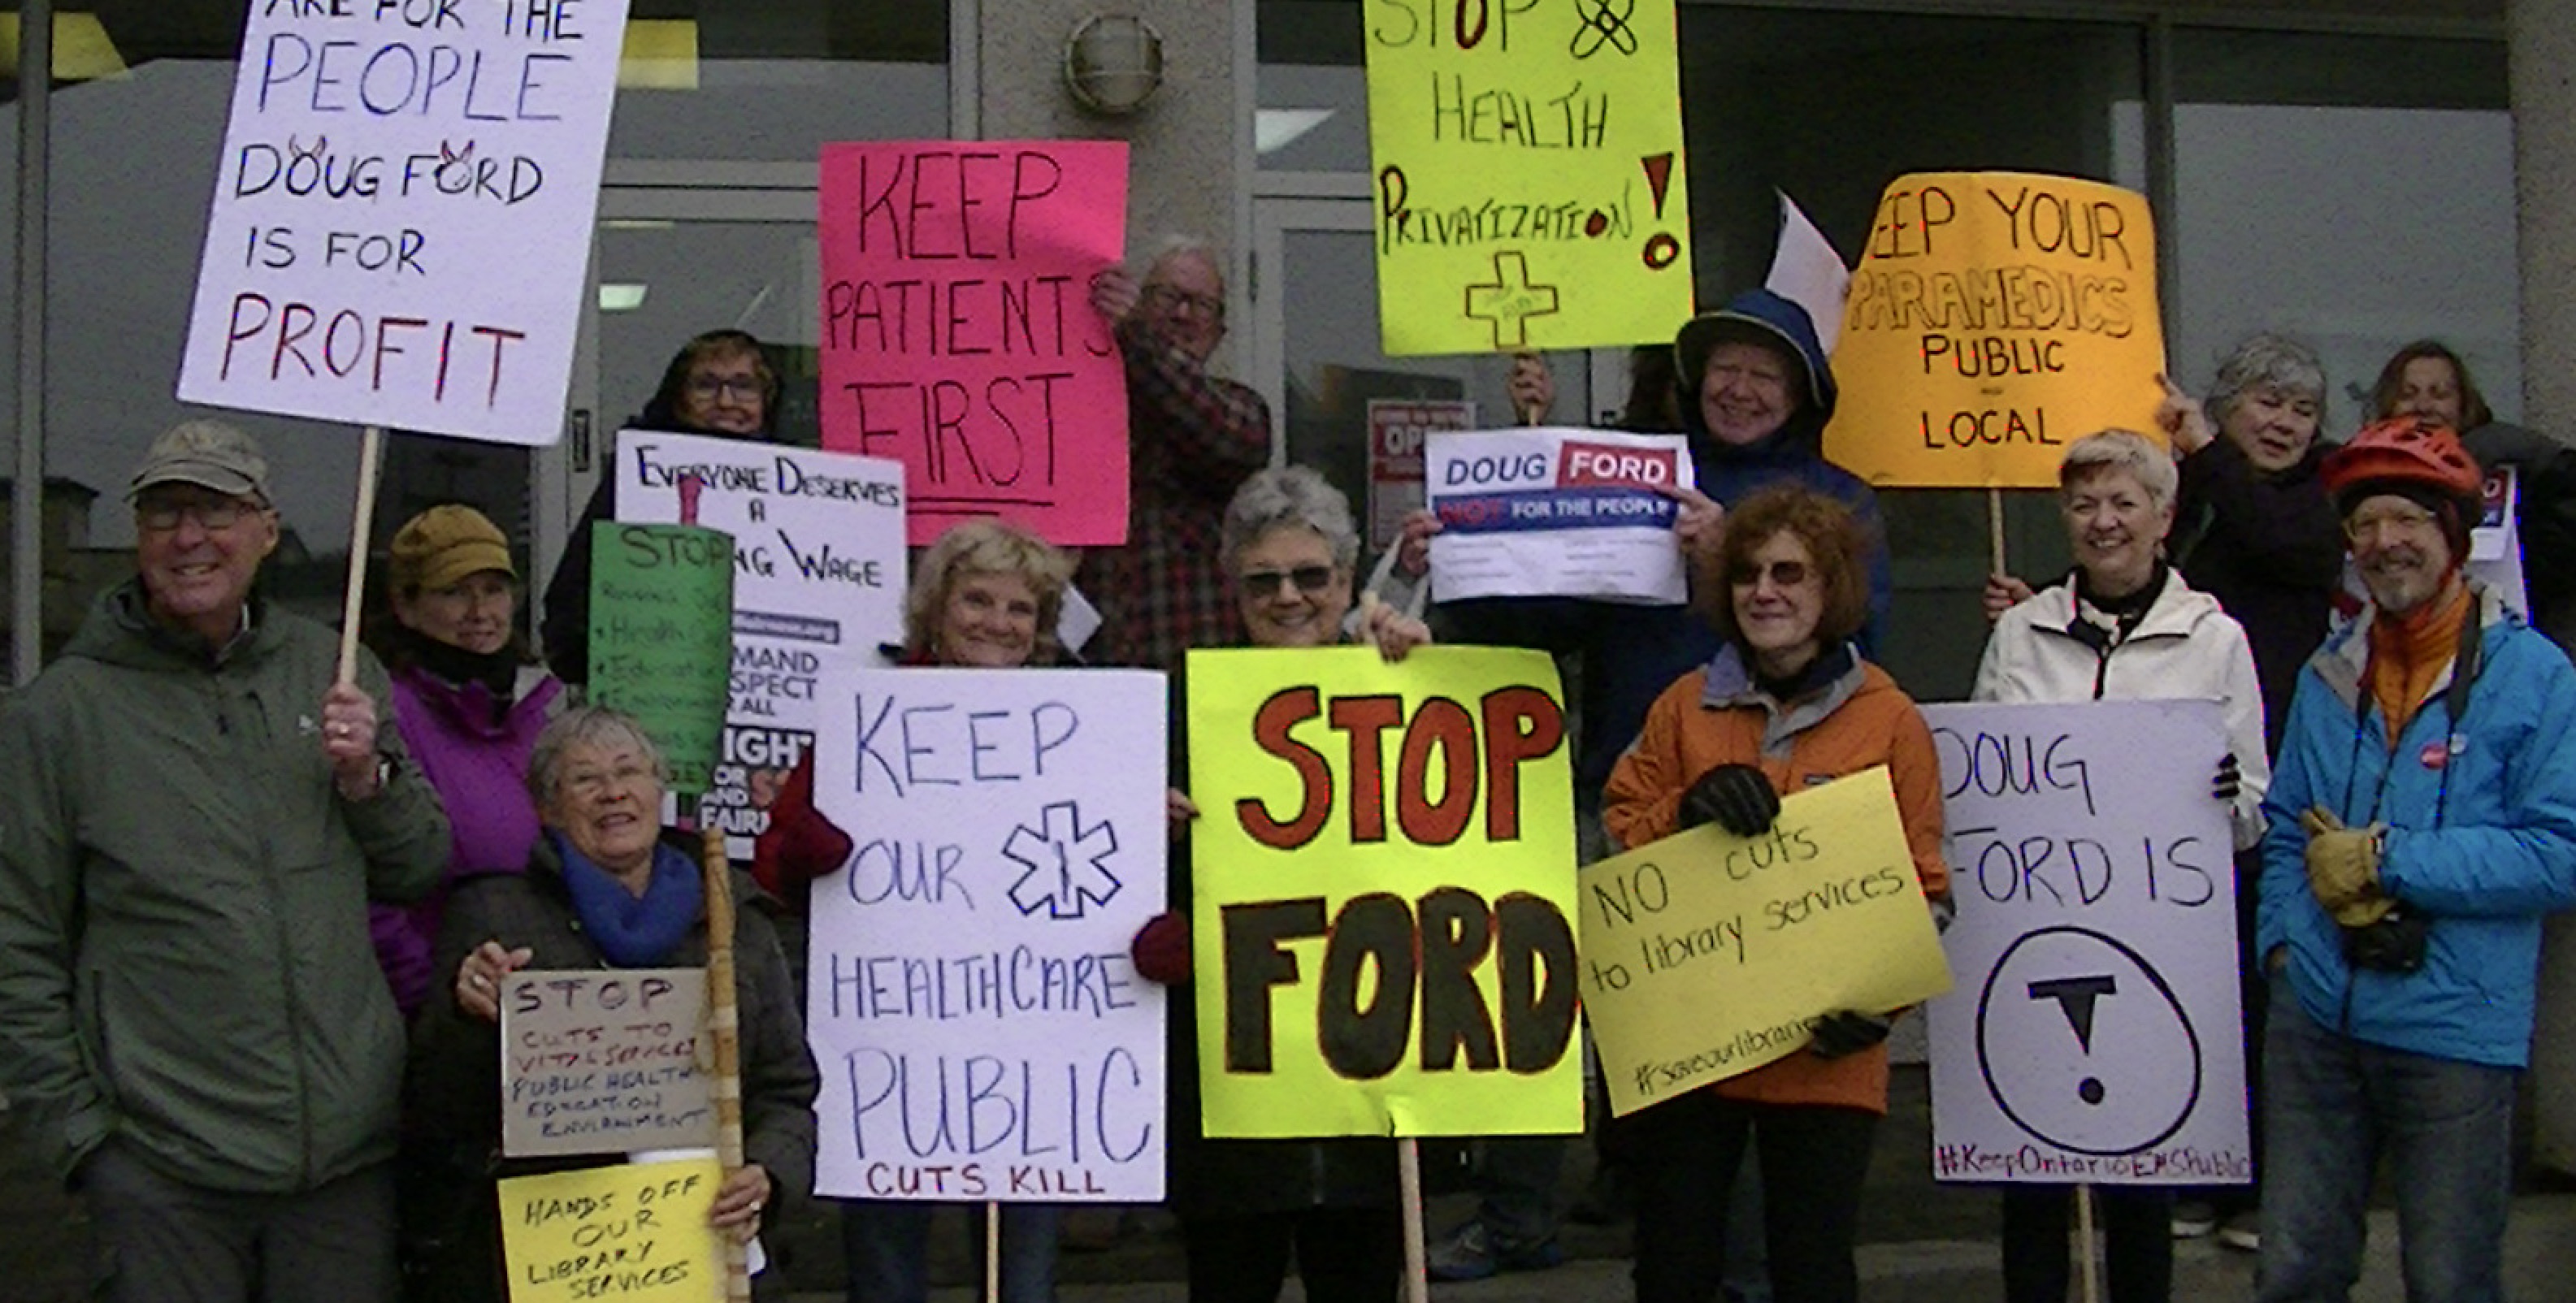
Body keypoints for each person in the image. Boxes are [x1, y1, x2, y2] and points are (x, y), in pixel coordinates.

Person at [1401, 288, 1891, 1285]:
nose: (1740, 389)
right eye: (1723, 369)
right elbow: (1542, 623)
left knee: (1750, 1046)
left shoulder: (1840, 496)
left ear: (1801, 390)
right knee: (1545, 1012)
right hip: (1622, 793)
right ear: (1691, 379)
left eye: (1765, 372)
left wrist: (1726, 553)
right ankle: (1516, 1216)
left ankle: (1745, 1263)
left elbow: (1862, 637)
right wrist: (1453, 556)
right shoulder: (1638, 476)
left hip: (1770, 813)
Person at [0, 419, 452, 1303]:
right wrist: (87, 1143)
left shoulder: (334, 669)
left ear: (267, 530)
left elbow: (420, 863)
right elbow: (18, 941)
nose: (189, 537)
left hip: (343, 1164)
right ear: (138, 536)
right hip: (166, 1171)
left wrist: (369, 775)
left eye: (216, 509)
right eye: (165, 513)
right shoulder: (59, 715)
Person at [2255, 416, 2576, 1303]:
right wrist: (2284, 954)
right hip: (2317, 1017)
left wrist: (2391, 858)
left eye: (2405, 519)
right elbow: (2285, 826)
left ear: (2450, 535)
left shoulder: (2533, 675)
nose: (2382, 542)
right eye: (2364, 525)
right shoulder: (2330, 669)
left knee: (2448, 1280)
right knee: (2291, 1273)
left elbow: (2561, 852)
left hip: (2453, 1030)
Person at [1602, 485, 1951, 1303]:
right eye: (1747, 573)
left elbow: (1923, 884)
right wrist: (1683, 813)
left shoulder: (1891, 718)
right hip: (1690, 1041)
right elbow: (1614, 836)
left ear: (1830, 588)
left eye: (1788, 573)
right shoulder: (1682, 706)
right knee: (1671, 1265)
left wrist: (1879, 1002)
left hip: (1826, 1051)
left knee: (1813, 1266)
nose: (1764, 590)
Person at [1973, 431, 2272, 1303]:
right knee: (2030, 1172)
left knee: (2140, 1173)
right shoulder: (2020, 632)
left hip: (2156, 949)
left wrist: (2220, 794)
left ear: (2162, 517)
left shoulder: (2214, 639)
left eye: (2122, 502)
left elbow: (2251, 812)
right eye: (2082, 504)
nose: (2102, 522)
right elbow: (1986, 786)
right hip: (2037, 939)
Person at [750, 518, 1079, 1303]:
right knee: (889, 1258)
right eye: (978, 600)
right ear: (935, 607)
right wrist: (807, 839)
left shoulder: (1080, 730)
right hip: (898, 1033)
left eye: (1020, 609)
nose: (997, 623)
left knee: (1022, 1273)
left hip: (1029, 1031)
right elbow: (779, 875)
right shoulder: (870, 719)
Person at [1128, 465, 1432, 1303]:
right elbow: (1124, 888)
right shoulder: (1183, 706)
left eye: (1310, 575)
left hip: (1367, 1053)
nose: (1288, 597)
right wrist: (1142, 837)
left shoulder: (1397, 679)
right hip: (1238, 1065)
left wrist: (1421, 677)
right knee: (1229, 1280)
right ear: (1233, 589)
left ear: (1346, 576)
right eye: (1263, 580)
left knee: (1360, 1278)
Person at [401, 707, 818, 1303]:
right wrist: (469, 1017)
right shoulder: (494, 917)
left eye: (630, 772)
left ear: (661, 791)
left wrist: (767, 1176)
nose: (613, 792)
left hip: (701, 1248)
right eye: (585, 780)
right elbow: (437, 1110)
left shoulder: (735, 921)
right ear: (546, 808)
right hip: (557, 1255)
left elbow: (786, 1090)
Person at [366, 504, 565, 1020]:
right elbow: (372, 888)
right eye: (454, 592)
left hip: (552, 1009)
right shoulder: (386, 713)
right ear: (405, 606)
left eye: (494, 589)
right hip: (452, 1012)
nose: (481, 611)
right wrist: (432, 995)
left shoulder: (542, 705)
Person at [541, 328, 783, 686]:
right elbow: (573, 601)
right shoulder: (636, 480)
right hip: (656, 697)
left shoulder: (803, 484)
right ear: (677, 398)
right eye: (706, 386)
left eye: (744, 386)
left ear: (767, 399)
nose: (726, 401)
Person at [1079, 236, 1273, 671]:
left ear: (1220, 333)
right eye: (1168, 296)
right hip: (1093, 678)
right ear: (1140, 304)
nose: (1183, 314)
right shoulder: (1079, 413)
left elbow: (1219, 437)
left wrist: (1134, 338)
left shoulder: (1240, 408)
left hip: (1197, 674)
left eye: (1201, 305)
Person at [2369, 339, 2576, 645]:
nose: (2423, 407)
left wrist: (2521, 450)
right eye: (2407, 395)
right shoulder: (2362, 481)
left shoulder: (2516, 471)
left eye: (2440, 395)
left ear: (2464, 404)